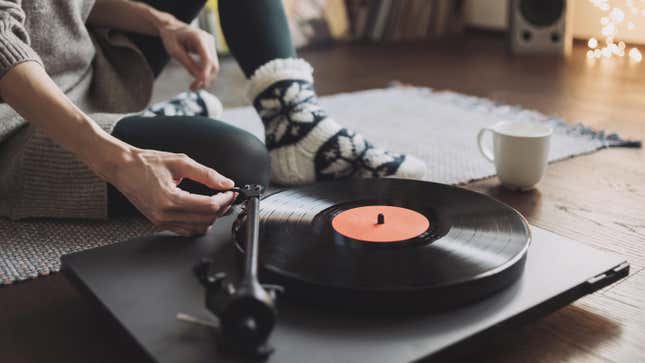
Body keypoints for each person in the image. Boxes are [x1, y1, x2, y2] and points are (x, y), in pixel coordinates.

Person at [0, 0, 426, 236]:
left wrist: (162, 22)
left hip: (82, 75)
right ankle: (155, 123)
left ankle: (296, 125)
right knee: (239, 162)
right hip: (17, 122)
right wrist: (122, 162)